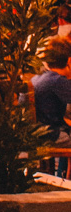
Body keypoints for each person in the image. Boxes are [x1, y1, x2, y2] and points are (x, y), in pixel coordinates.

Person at [33, 37, 71, 176]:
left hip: (39, 134)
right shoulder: (58, 82)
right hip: (51, 136)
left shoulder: (39, 78)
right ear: (69, 61)